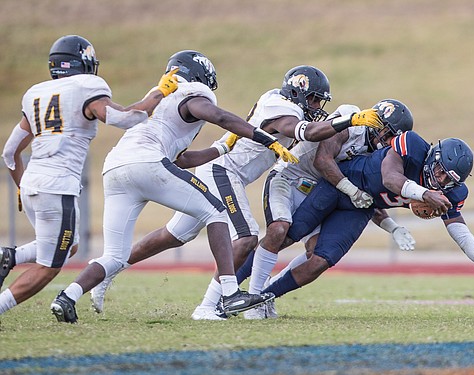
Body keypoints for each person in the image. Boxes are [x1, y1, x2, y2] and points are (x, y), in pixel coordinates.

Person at [87, 65, 386, 320]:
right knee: (246, 237)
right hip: (223, 172)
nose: (316, 105)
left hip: (222, 170)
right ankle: (209, 306)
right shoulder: (284, 109)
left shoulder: (276, 100)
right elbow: (305, 132)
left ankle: (108, 270)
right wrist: (349, 120)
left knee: (173, 235)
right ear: (297, 92)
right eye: (313, 98)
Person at [49, 50, 310, 323]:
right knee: (219, 214)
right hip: (148, 163)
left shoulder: (158, 97)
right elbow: (218, 117)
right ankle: (226, 296)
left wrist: (222, 146)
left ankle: (67, 296)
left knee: (122, 253)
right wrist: (266, 139)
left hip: (115, 168)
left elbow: (182, 159)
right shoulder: (193, 92)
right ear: (199, 76)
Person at [0, 34, 178, 316]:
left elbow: (10, 154)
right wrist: (159, 92)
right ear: (82, 63)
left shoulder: (35, 92)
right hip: (58, 187)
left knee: (69, 245)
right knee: (49, 266)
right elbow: (125, 118)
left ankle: (9, 256)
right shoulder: (88, 85)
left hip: (34, 183)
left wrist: (22, 186)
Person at [259, 131, 474, 308]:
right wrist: (424, 193)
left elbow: (459, 229)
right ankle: (230, 289)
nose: (442, 181)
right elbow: (391, 180)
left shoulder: (450, 191)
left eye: (450, 180)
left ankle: (263, 297)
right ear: (433, 157)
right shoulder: (412, 148)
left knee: (321, 259)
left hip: (359, 209)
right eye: (440, 172)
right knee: (285, 235)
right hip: (338, 186)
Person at [241, 99, 416, 319]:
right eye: (389, 135)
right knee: (278, 232)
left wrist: (392, 227)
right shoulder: (351, 121)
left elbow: (367, 198)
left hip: (316, 190)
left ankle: (264, 297)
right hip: (288, 177)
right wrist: (352, 191)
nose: (390, 142)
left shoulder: (373, 156)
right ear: (377, 125)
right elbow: (322, 160)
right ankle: (236, 294)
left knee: (316, 254)